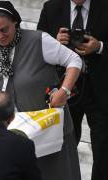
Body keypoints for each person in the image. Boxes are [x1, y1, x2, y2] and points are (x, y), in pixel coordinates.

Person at [0, 1, 83, 180]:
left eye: (4, 29)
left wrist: (64, 90)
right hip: (15, 131)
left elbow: (74, 60)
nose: (0, 35)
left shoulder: (39, 40)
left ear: (15, 23)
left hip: (49, 129)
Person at [37, 0, 108, 179]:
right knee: (63, 145)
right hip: (66, 88)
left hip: (101, 89)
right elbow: (36, 46)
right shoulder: (51, 7)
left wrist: (99, 46)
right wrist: (53, 42)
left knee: (103, 147)